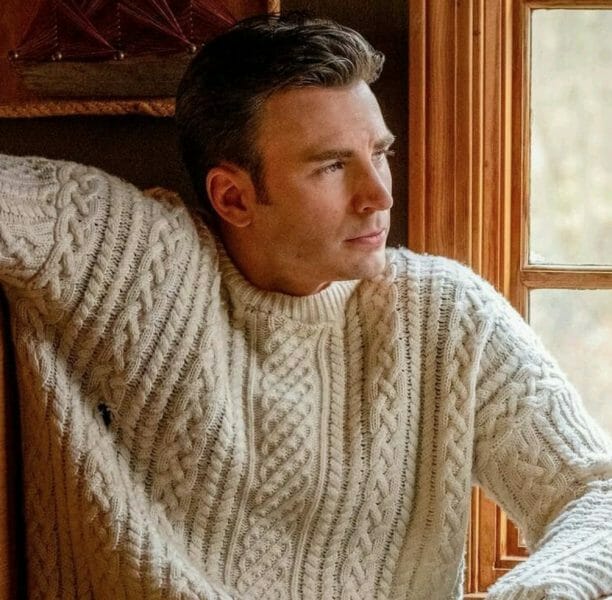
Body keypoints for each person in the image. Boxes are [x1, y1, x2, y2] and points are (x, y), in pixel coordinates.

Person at [0, 12, 611, 600]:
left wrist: (544, 592)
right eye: (332, 166)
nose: (377, 194)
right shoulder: (126, 258)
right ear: (233, 197)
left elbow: (596, 494)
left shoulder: (443, 315)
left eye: (380, 153)